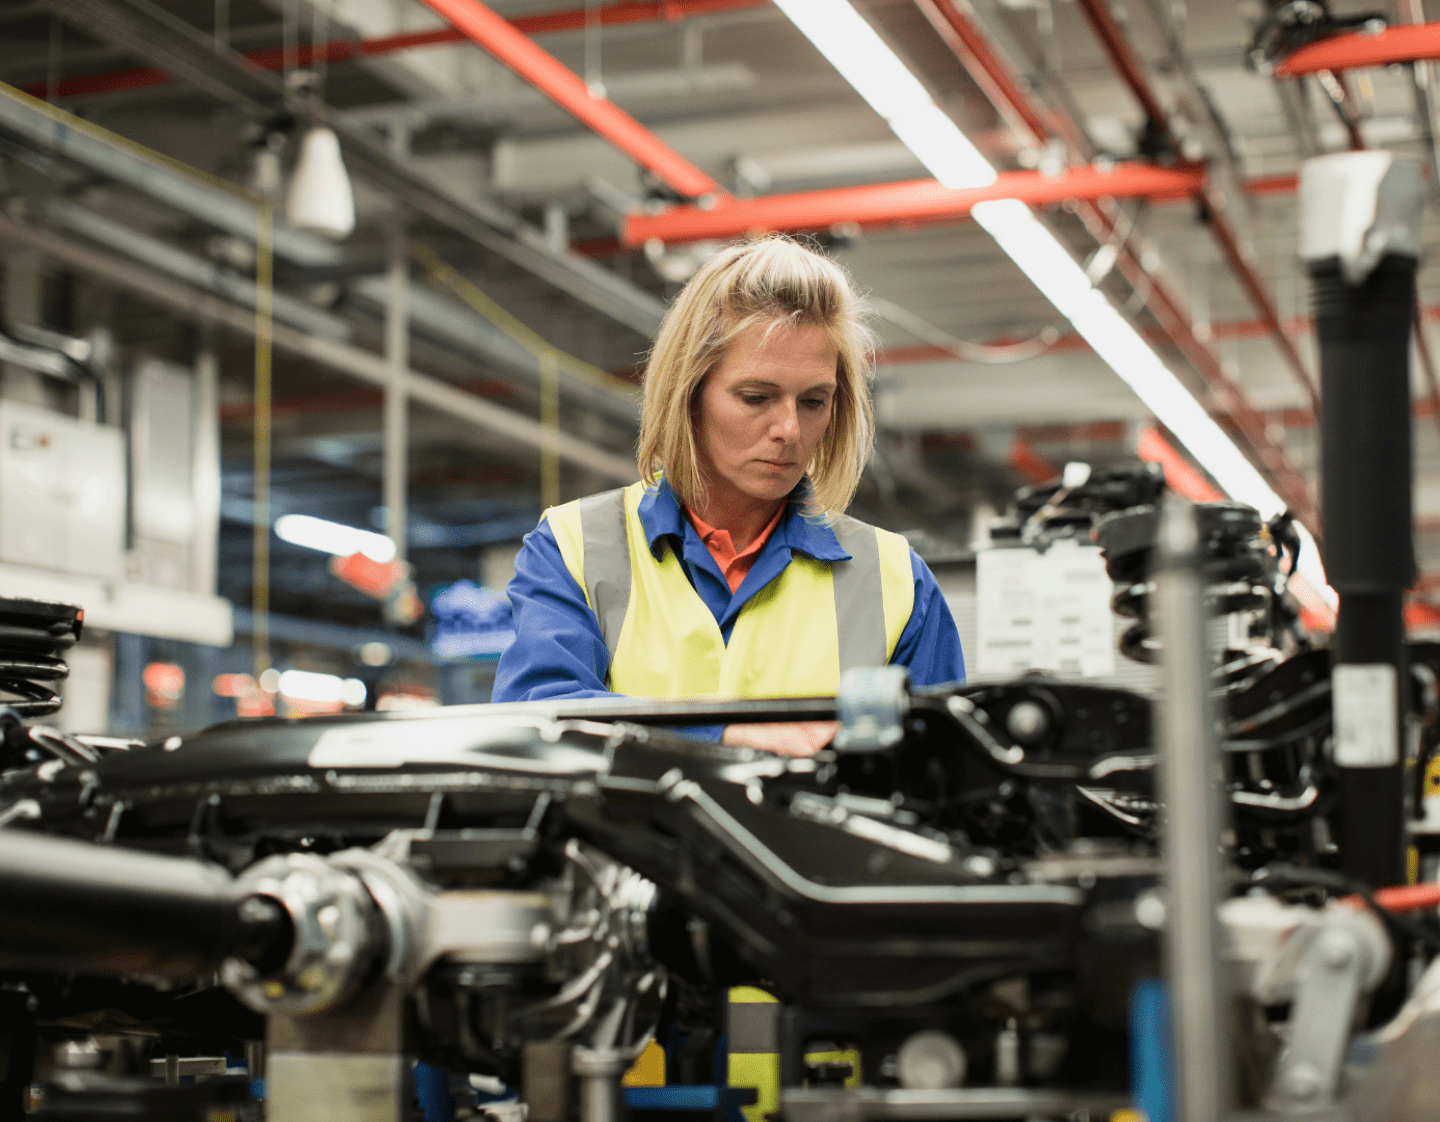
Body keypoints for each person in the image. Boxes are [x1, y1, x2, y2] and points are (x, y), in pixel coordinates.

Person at [492, 237, 964, 755]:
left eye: (814, 401)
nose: (789, 428)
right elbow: (535, 725)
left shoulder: (897, 582)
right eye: (756, 398)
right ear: (688, 390)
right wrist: (731, 738)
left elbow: (946, 776)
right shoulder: (572, 548)